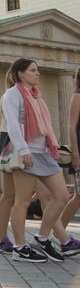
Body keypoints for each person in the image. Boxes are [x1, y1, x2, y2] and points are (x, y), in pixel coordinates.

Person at [0, 58, 73, 262]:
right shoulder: (12, 95)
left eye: (37, 70)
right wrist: (23, 150)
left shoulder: (36, 95)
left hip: (43, 152)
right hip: (26, 153)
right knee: (22, 201)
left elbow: (44, 125)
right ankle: (20, 247)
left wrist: (52, 147)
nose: (37, 73)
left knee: (62, 196)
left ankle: (42, 236)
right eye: (33, 70)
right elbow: (13, 125)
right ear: (21, 73)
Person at [59, 66, 80, 231]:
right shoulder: (77, 96)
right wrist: (75, 154)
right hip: (79, 152)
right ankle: (57, 232)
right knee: (78, 198)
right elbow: (71, 127)